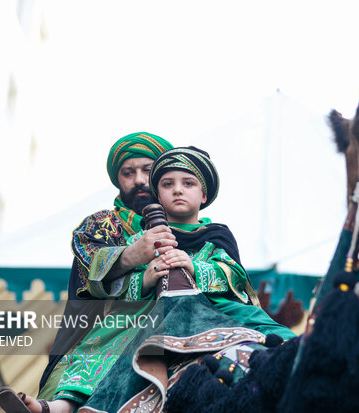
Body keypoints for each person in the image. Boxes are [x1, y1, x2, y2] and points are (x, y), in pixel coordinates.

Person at [75, 147, 295, 413]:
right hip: (155, 315)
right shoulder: (142, 241)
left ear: (203, 195)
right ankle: (66, 404)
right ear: (158, 197)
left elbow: (235, 277)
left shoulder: (217, 236)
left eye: (188, 183)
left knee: (285, 342)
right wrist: (145, 278)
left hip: (215, 310)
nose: (178, 190)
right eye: (168, 184)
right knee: (100, 350)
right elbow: (119, 289)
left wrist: (195, 267)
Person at [0, 131, 176, 413]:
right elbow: (89, 270)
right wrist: (132, 254)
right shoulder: (100, 224)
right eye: (128, 172)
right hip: (98, 338)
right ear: (118, 179)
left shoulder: (189, 222)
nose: (139, 180)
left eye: (147, 170)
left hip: (176, 331)